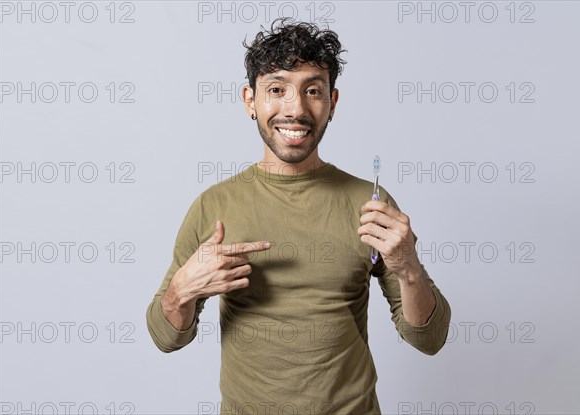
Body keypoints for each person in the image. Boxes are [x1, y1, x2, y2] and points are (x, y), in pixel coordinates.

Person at [146, 18, 451, 415]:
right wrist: (181, 292)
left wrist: (408, 267)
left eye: (313, 91)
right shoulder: (213, 206)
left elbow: (429, 339)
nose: (296, 109)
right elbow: (165, 337)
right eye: (276, 89)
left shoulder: (370, 203)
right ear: (249, 101)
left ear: (333, 103)